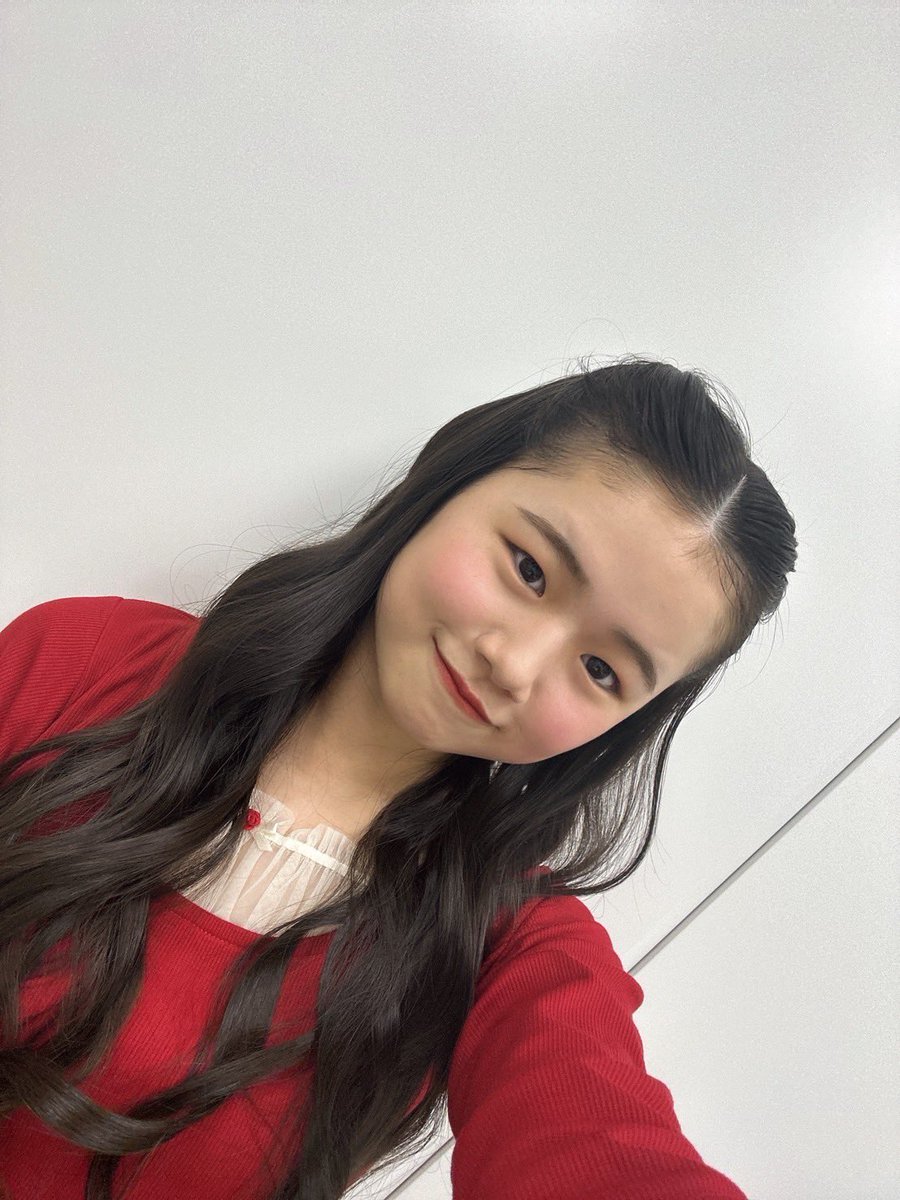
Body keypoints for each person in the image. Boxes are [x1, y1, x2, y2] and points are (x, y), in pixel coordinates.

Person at [0, 356, 796, 1199]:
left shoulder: (504, 943)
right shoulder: (85, 664)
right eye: (529, 569)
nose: (514, 665)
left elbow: (600, 1146)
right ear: (452, 481)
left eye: (601, 670)